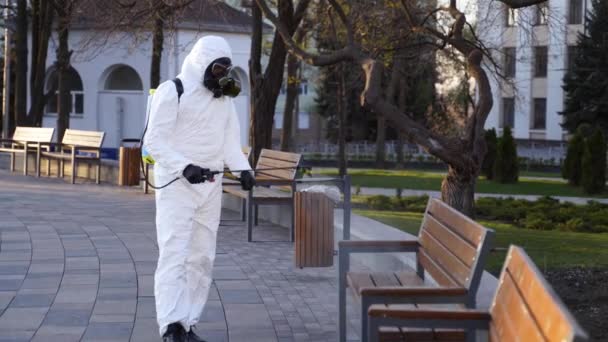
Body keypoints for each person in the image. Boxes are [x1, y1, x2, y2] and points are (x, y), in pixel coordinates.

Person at [143, 35, 255, 342]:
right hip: (177, 186)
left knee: (202, 257)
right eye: (217, 69)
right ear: (202, 63)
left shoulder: (223, 100)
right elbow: (155, 141)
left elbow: (229, 142)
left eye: (225, 70)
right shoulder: (172, 90)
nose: (221, 76)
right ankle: (171, 326)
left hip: (210, 187)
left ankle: (188, 322)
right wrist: (185, 166)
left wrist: (243, 170)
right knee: (174, 254)